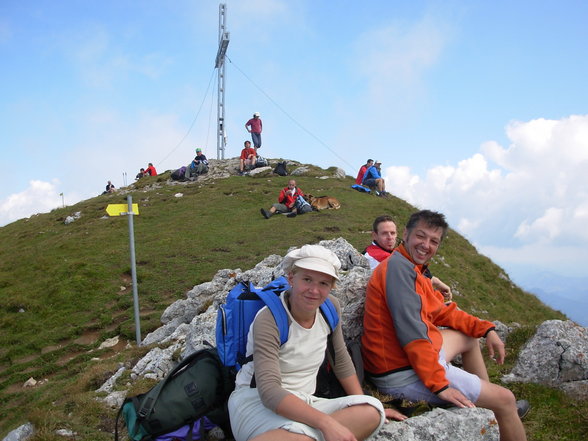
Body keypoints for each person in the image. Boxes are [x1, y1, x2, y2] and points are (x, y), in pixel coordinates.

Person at [361, 210, 528, 441]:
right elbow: (413, 337)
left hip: (405, 359)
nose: (426, 245)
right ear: (407, 234)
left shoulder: (410, 267)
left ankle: (490, 409)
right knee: (508, 399)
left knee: (468, 338)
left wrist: (485, 329)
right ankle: (500, 408)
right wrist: (440, 386)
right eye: (421, 236)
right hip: (400, 371)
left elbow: (441, 311)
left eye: (434, 241)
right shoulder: (399, 271)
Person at [228, 244, 404, 441]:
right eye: (307, 279)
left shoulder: (330, 308)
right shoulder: (269, 319)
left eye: (323, 283)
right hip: (256, 403)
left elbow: (340, 360)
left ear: (332, 287)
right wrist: (326, 423)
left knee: (372, 411)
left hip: (308, 402)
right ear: (291, 279)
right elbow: (269, 391)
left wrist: (360, 401)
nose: (314, 290)